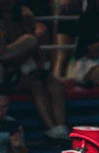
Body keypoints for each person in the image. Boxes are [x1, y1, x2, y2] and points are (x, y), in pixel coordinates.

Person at [0, 1, 68, 139]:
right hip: (8, 74)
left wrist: (42, 68)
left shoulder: (24, 16)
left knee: (55, 84)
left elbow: (37, 52)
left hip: (29, 68)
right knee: (36, 84)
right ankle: (51, 127)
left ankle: (60, 128)